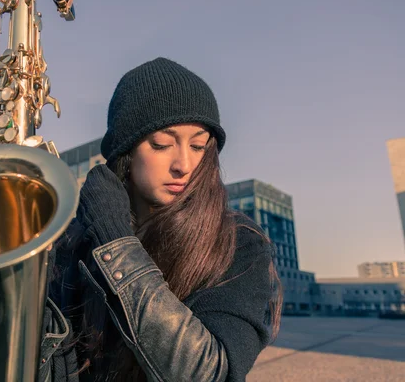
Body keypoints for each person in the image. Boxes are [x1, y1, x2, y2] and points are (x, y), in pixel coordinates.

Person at [39, 57, 283, 382]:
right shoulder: (81, 238)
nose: (184, 164)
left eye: (198, 146)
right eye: (162, 144)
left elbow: (211, 374)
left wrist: (116, 245)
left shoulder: (239, 243)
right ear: (126, 151)